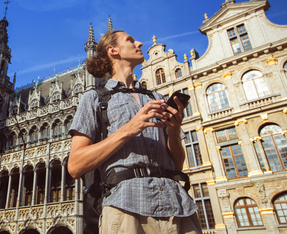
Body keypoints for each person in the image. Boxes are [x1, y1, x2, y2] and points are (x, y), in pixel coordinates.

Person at [68, 30, 201, 234]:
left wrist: (174, 131)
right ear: (112, 50)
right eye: (130, 40)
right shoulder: (95, 98)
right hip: (126, 208)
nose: (139, 42)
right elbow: (76, 165)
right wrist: (129, 129)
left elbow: (178, 164)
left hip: (177, 207)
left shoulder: (156, 97)